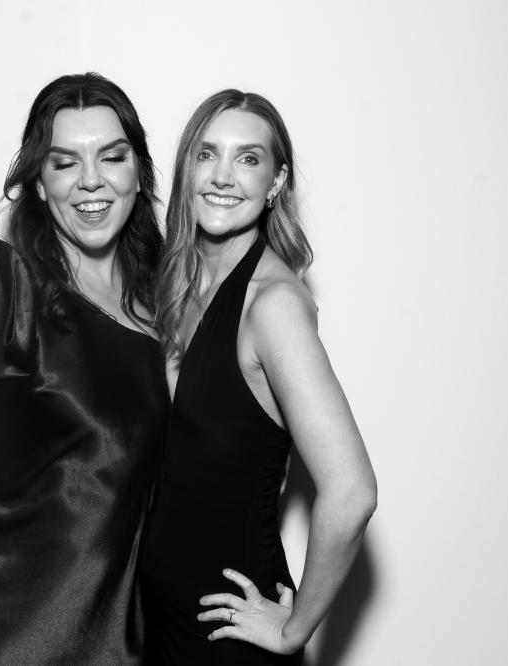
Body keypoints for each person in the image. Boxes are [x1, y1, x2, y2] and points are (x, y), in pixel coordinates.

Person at [0, 73, 168, 666]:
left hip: (127, 638)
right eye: (64, 163)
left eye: (112, 157)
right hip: (6, 633)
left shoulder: (165, 305)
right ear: (40, 185)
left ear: (139, 173)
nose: (91, 180)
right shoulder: (1, 285)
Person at [140, 90, 378, 665]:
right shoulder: (175, 284)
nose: (223, 175)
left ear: (276, 182)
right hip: (162, 624)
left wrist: (294, 630)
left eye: (248, 158)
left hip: (229, 636)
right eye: (207, 154)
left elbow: (352, 493)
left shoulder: (273, 306)